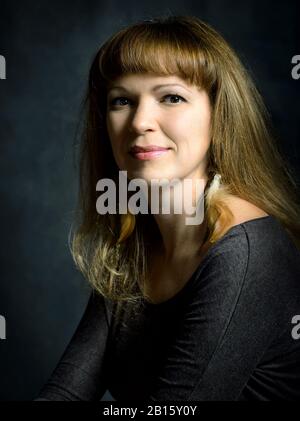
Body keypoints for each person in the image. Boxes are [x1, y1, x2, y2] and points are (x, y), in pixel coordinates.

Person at [35, 15, 300, 401]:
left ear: (219, 114)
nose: (140, 121)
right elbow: (67, 392)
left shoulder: (247, 253)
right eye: (121, 101)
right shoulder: (135, 247)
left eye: (171, 97)